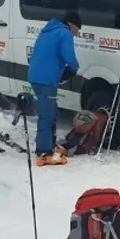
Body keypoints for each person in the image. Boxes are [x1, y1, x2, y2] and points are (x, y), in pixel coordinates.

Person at [27, 11, 81, 166]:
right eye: (77, 29)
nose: (76, 34)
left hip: (38, 76)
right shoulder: (64, 33)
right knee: (47, 115)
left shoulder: (50, 30)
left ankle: (50, 145)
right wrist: (74, 68)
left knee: (52, 111)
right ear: (71, 25)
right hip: (45, 79)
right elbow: (68, 54)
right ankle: (43, 152)